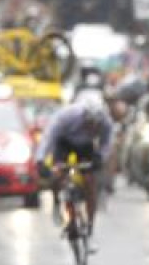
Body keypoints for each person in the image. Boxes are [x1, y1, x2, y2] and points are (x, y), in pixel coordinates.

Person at [36, 97, 114, 244]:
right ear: (84, 118)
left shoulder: (105, 123)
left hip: (85, 147)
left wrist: (100, 158)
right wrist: (41, 161)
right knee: (58, 175)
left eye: (95, 126)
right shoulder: (66, 117)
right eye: (89, 124)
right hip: (63, 143)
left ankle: (90, 226)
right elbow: (49, 139)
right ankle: (58, 201)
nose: (92, 128)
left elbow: (107, 142)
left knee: (90, 181)